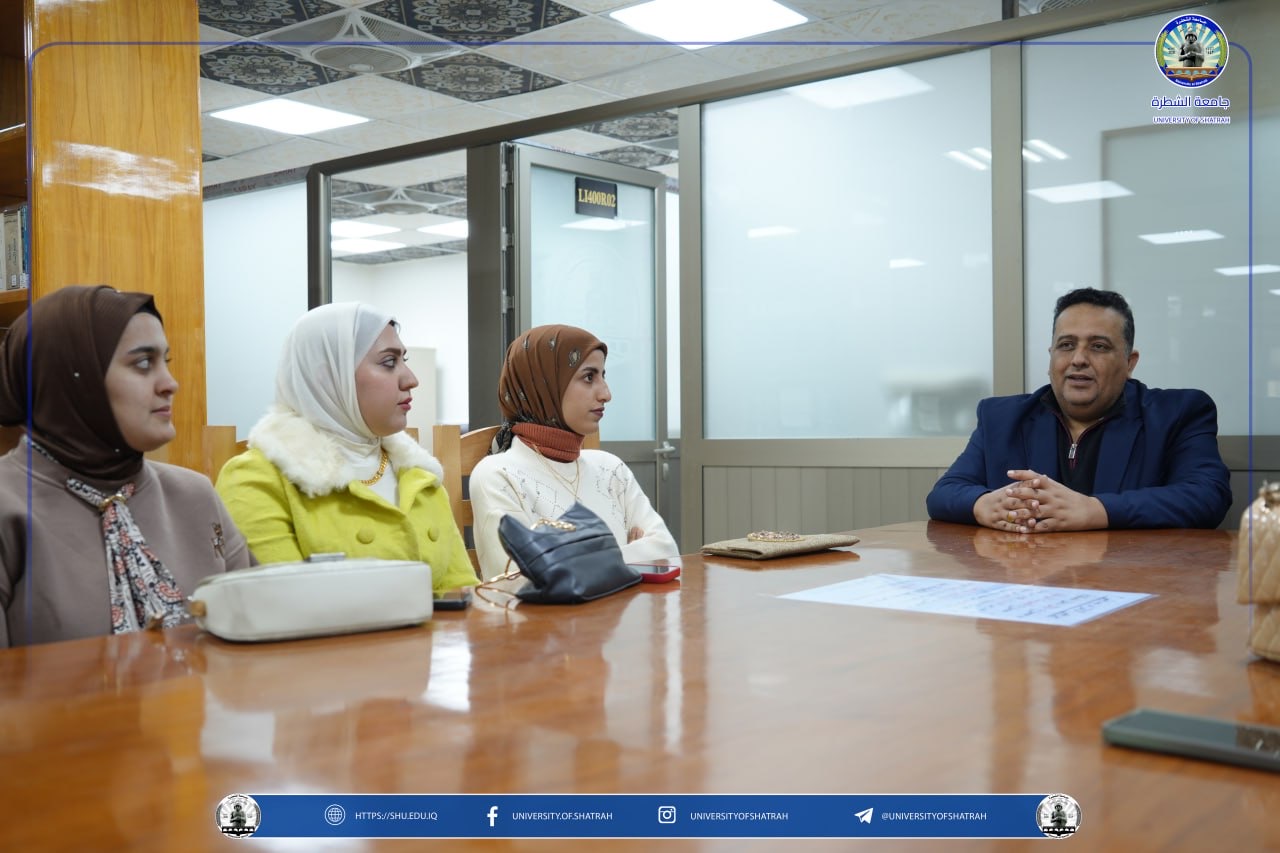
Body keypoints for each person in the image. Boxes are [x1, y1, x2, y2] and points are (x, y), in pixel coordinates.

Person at [0, 285, 253, 647]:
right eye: (143, 363)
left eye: (167, 361)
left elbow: (258, 643)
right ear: (73, 376)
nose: (170, 384)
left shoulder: (194, 496)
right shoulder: (8, 505)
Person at [215, 302, 476, 591]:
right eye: (389, 362)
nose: (411, 380)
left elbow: (465, 593)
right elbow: (284, 600)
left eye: (404, 360)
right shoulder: (256, 479)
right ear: (326, 376)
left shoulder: (419, 475)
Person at [926, 287, 1231, 532]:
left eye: (1098, 346)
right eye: (1067, 345)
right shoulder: (1001, 417)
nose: (1079, 359)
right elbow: (944, 492)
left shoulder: (1177, 413)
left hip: (1129, 578)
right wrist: (982, 505)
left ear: (1129, 363)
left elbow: (1207, 496)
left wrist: (1094, 510)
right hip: (1028, 579)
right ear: (1051, 357)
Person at [470, 324, 679, 580]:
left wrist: (569, 560)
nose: (606, 394)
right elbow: (519, 583)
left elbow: (667, 553)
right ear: (544, 384)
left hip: (630, 607)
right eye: (589, 377)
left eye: (603, 375)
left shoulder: (610, 468)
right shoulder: (497, 475)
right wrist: (631, 556)